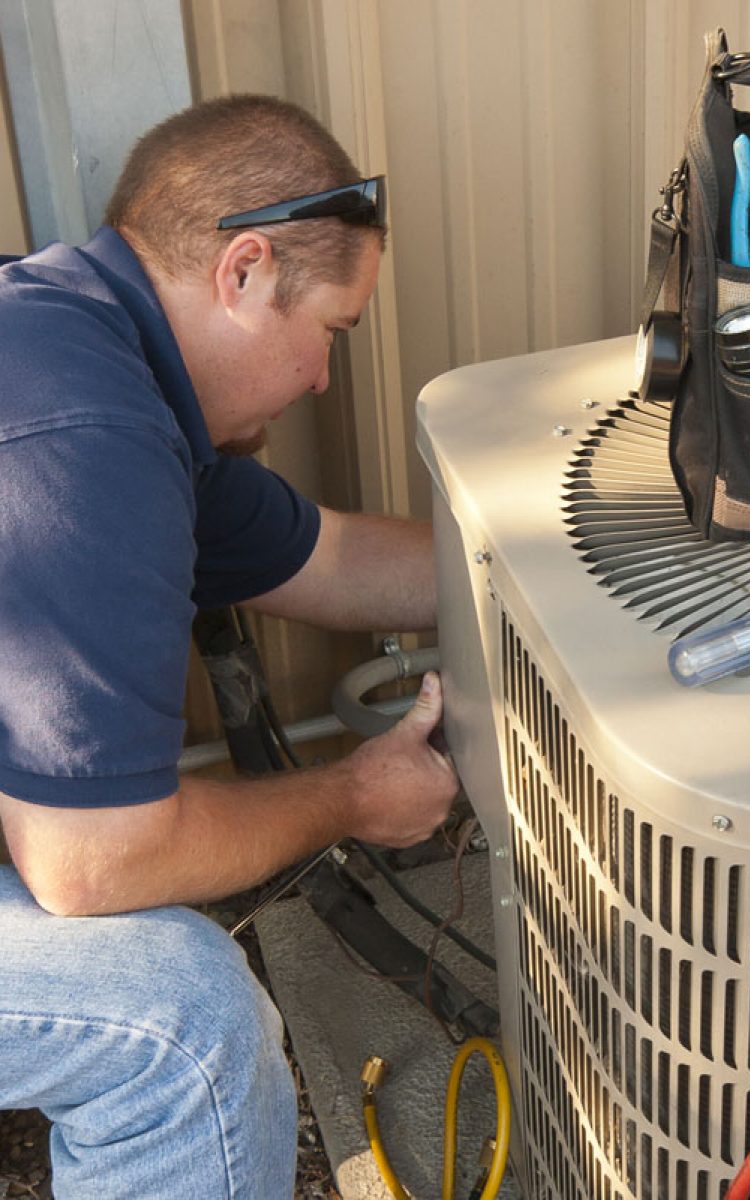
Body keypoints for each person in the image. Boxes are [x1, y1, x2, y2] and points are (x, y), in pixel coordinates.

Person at [0, 94, 460, 1198]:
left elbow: (337, 560)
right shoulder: (87, 442)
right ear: (243, 271)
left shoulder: (84, 343)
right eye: (332, 334)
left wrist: (559, 585)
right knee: (183, 1025)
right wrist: (354, 796)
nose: (320, 380)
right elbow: (92, 864)